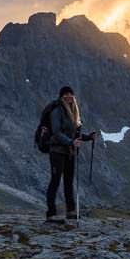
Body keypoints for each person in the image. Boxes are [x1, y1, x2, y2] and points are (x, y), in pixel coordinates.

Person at [38, 86, 96, 224]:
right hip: (57, 151)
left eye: (71, 95)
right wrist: (71, 142)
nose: (69, 97)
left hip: (68, 151)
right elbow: (57, 133)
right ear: (61, 97)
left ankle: (71, 211)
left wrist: (88, 137)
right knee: (55, 181)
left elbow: (74, 134)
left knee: (68, 181)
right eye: (66, 95)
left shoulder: (73, 112)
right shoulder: (57, 111)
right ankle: (51, 214)